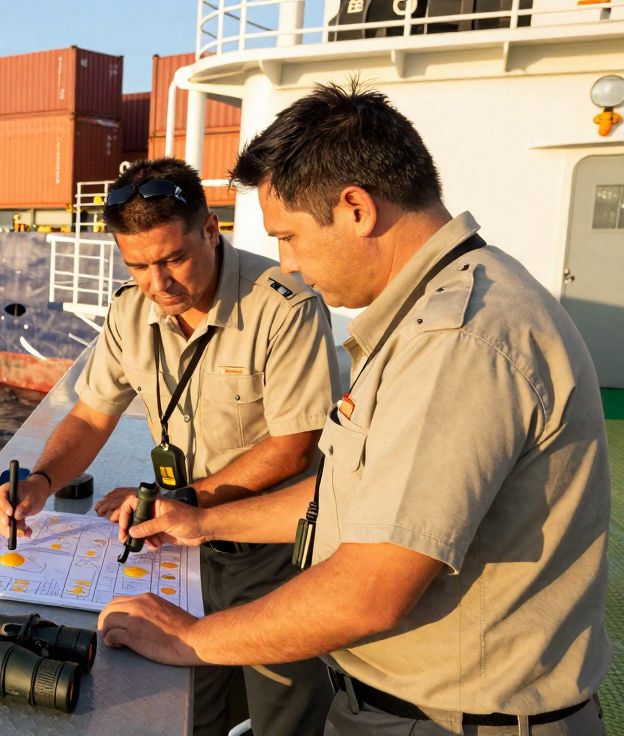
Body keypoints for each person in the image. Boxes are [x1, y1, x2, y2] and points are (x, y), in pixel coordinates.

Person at [98, 82, 610, 734]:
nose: (288, 263)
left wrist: (187, 639)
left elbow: (371, 589)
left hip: (448, 720)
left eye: (289, 237)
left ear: (356, 209)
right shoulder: (435, 313)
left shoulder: (458, 339)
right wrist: (200, 521)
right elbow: (350, 495)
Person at [0, 157, 340, 735]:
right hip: (182, 550)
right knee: (187, 711)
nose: (158, 284)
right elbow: (92, 414)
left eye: (173, 259)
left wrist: (181, 504)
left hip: (272, 554)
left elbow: (293, 448)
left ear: (210, 229)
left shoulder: (284, 306)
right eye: (138, 266)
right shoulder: (131, 309)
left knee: (283, 715)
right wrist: (41, 481)